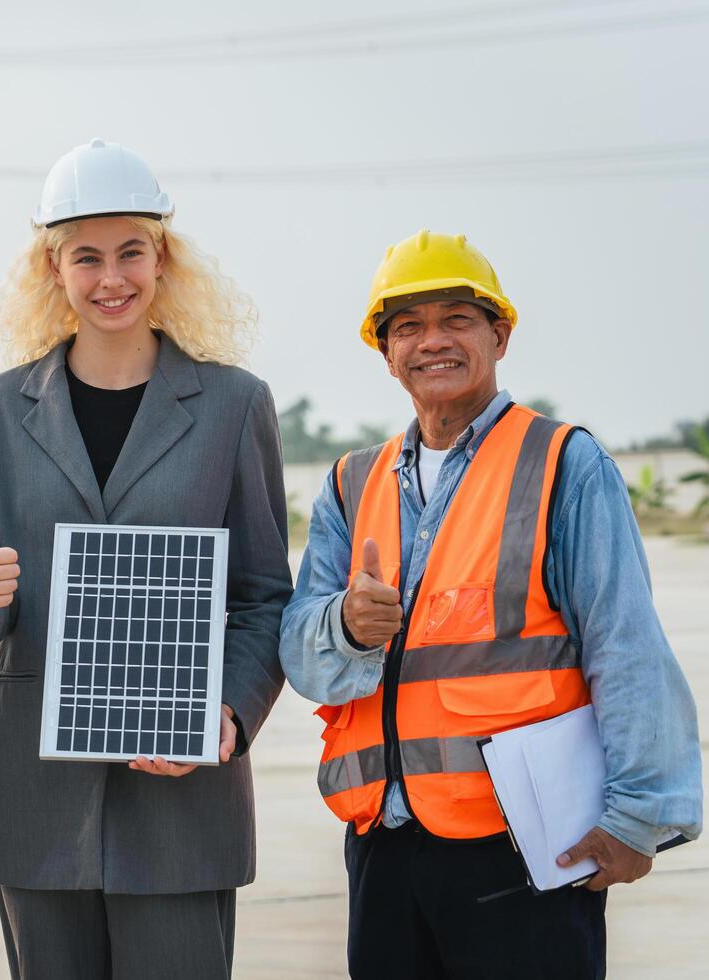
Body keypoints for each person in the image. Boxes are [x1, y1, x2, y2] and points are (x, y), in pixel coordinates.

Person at [280, 230, 702, 978]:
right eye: (407, 326)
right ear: (385, 352)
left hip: (524, 846)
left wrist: (639, 818)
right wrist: (344, 626)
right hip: (385, 840)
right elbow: (300, 655)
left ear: (500, 335)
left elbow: (626, 645)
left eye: (457, 320)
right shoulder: (351, 483)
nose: (431, 341)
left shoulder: (564, 463)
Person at [0, 139, 291, 979]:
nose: (112, 279)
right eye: (86, 257)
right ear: (52, 269)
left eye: (131, 252)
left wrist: (232, 714)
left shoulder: (233, 405)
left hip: (180, 798)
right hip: (38, 803)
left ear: (162, 259)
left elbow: (263, 595)